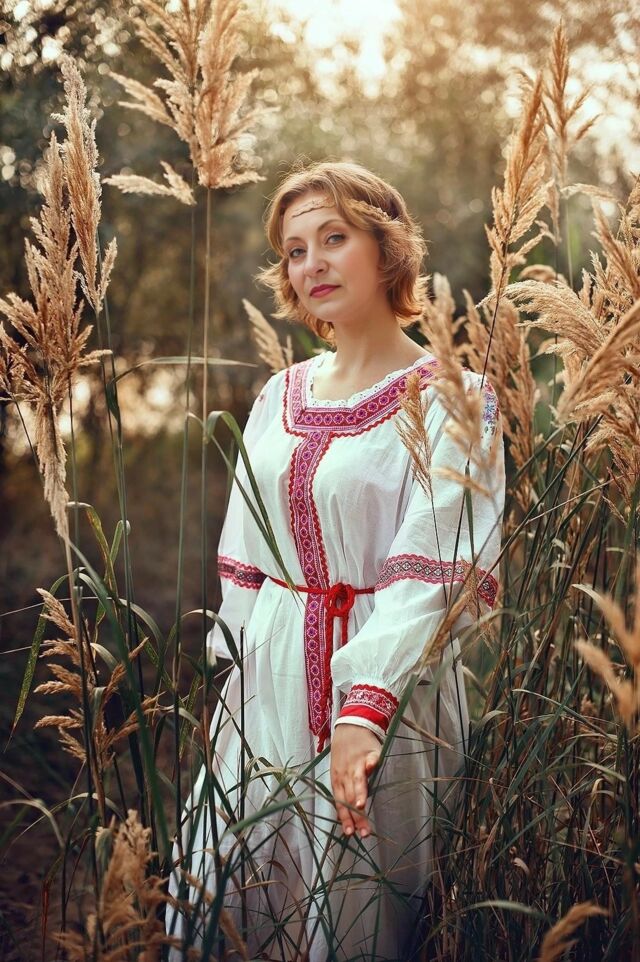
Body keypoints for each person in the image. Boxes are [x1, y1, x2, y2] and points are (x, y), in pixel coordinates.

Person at [166, 160, 505, 961]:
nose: (311, 263)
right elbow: (245, 556)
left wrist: (366, 707)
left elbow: (438, 565)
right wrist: (239, 686)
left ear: (387, 248)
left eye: (334, 238)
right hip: (270, 682)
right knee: (230, 896)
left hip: (392, 690)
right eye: (294, 250)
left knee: (355, 911)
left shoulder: (454, 397)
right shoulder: (277, 396)